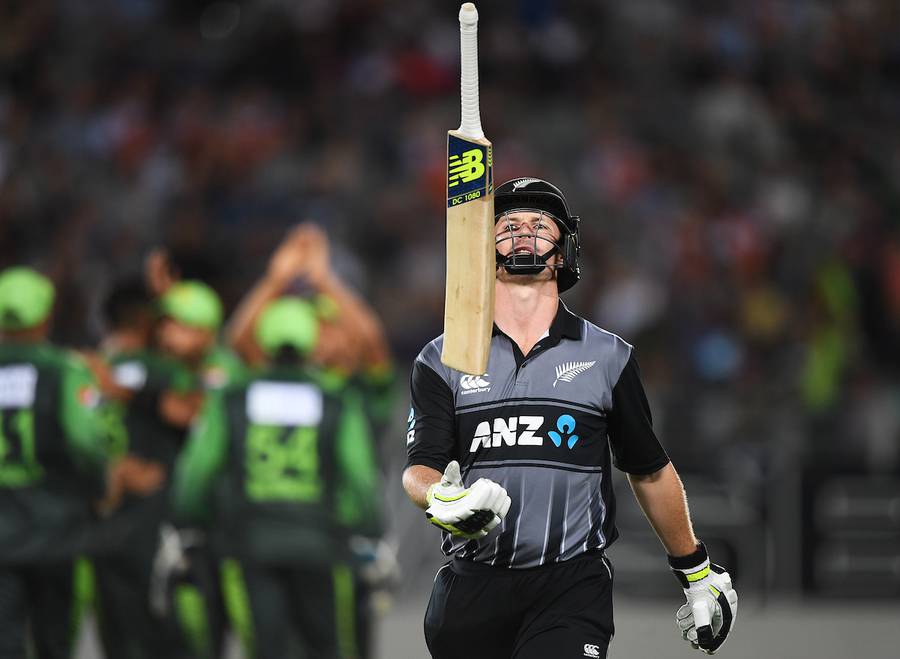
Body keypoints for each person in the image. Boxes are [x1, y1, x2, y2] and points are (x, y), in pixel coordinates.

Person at [402, 178, 739, 658]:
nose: (523, 232)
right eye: (508, 224)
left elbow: (649, 469)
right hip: (470, 588)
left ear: (564, 251)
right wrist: (440, 496)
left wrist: (696, 571)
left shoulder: (608, 356)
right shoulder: (440, 358)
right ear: (482, 248)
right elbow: (419, 468)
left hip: (570, 587)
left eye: (540, 224)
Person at [172, 296, 382, 659]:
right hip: (321, 544)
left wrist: (190, 519)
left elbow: (197, 470)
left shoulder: (232, 399)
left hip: (250, 544)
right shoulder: (336, 400)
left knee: (265, 649)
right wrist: (366, 528)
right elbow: (361, 477)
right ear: (310, 340)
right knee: (329, 648)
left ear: (263, 340)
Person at [0, 266, 162, 659]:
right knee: (55, 640)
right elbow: (86, 440)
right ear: (46, 316)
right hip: (56, 528)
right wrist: (101, 484)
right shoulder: (65, 370)